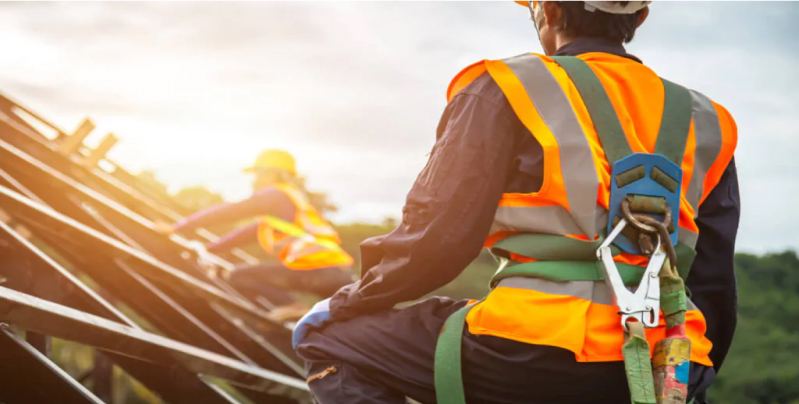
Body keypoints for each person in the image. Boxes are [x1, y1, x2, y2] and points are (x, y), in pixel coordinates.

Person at [291, 2, 739, 404]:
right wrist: (692, 375)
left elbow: (437, 240)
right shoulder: (710, 120)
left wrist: (349, 302)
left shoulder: (506, 86)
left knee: (329, 339)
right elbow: (714, 280)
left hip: (533, 352)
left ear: (551, 11)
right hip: (670, 366)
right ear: (639, 16)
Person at [159, 149, 355, 321]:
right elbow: (237, 238)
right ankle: (286, 313)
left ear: (272, 173)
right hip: (337, 275)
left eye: (257, 173)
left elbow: (230, 211)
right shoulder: (281, 214)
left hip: (319, 270)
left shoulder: (276, 195)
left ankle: (292, 307)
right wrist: (208, 250)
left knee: (239, 276)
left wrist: (177, 228)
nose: (255, 180)